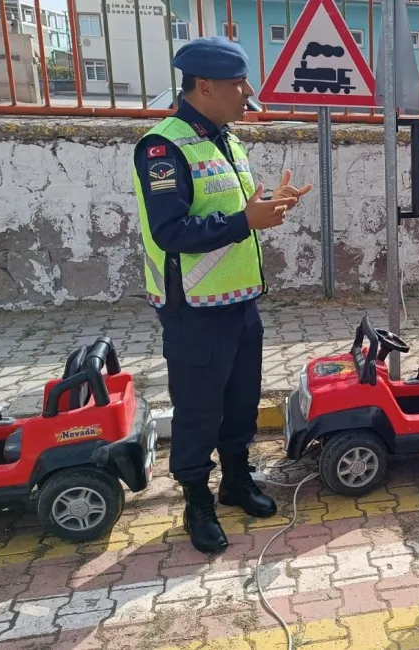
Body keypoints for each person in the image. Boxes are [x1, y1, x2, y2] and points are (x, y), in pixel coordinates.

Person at [132, 36, 312, 554]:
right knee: (198, 410)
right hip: (193, 307)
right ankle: (197, 501)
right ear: (204, 86)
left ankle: (236, 480)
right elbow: (171, 232)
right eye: (238, 83)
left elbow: (237, 211)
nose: (248, 92)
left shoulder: (227, 140)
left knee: (241, 402)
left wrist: (268, 207)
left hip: (239, 300)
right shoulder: (162, 147)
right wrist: (243, 221)